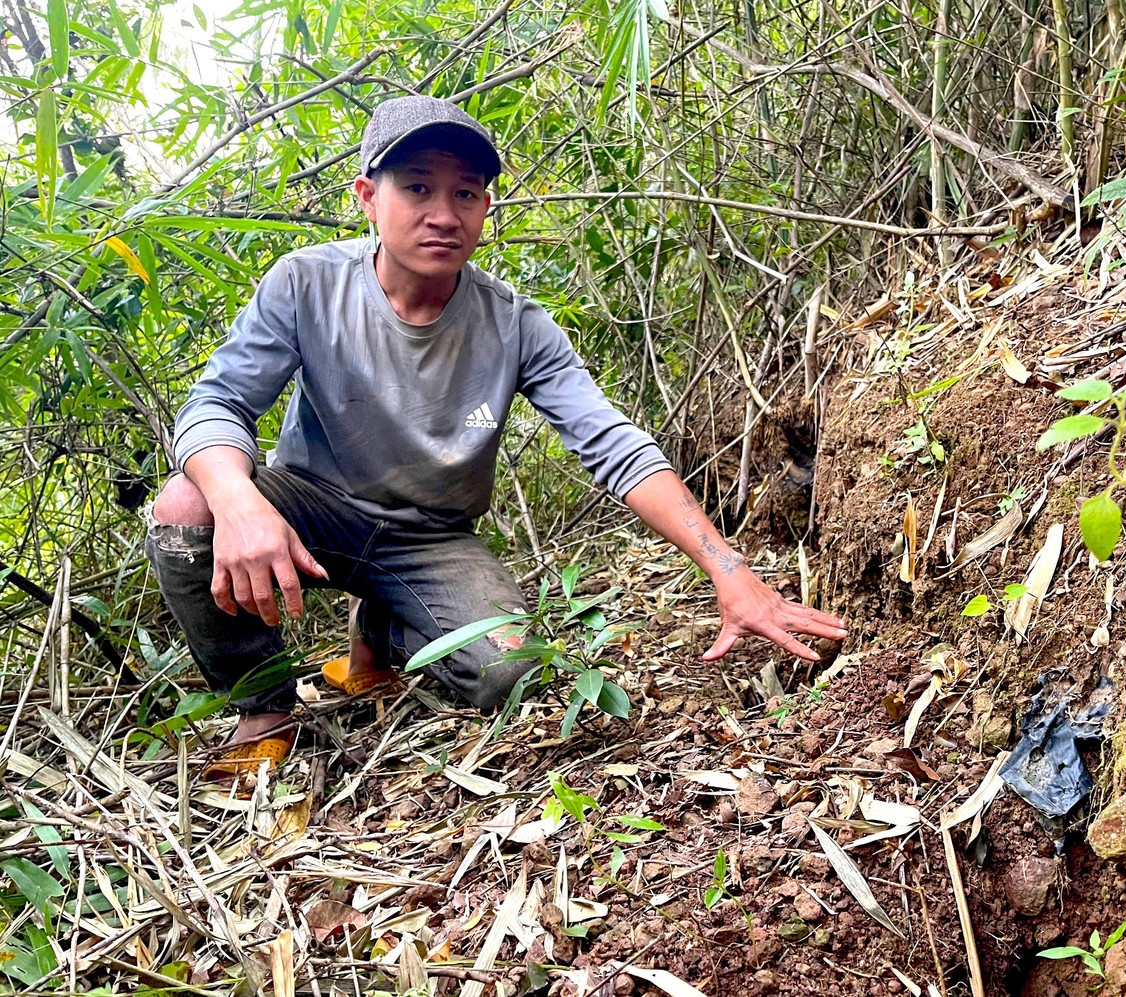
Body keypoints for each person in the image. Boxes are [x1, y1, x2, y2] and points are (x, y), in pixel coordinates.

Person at [145, 96, 847, 774]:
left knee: (508, 671)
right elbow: (218, 402)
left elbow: (611, 442)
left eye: (467, 193)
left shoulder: (514, 324)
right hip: (312, 505)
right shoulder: (306, 284)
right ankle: (264, 705)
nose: (443, 215)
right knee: (186, 506)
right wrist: (239, 501)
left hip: (428, 537)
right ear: (367, 196)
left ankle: (377, 627)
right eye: (418, 187)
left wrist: (728, 569)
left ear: (486, 207)